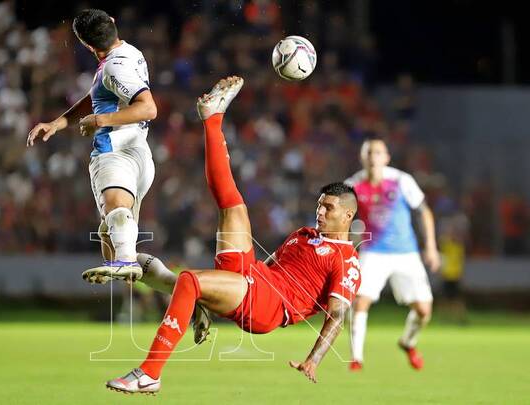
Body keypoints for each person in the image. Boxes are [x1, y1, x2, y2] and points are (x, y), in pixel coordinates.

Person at [103, 76, 362, 395]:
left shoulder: (347, 261)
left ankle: (149, 373)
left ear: (348, 215)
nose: (320, 213)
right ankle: (213, 119)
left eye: (329, 209)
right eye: (319, 206)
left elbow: (337, 315)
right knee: (232, 204)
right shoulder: (304, 234)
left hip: (268, 306)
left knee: (190, 281)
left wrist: (313, 360)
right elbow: (272, 268)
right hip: (257, 277)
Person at [27, 9, 167, 283]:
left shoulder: (114, 67)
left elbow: (148, 108)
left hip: (115, 153)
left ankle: (124, 261)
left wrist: (101, 120)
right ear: (113, 24)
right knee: (111, 235)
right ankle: (182, 292)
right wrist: (58, 123)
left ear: (86, 45)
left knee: (118, 226)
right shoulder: (130, 54)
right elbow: (99, 94)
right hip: (138, 155)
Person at [345, 137, 441, 371]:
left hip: (406, 253)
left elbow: (424, 212)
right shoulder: (352, 185)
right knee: (360, 302)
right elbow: (340, 218)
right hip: (373, 252)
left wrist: (430, 246)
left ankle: (408, 342)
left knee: (424, 311)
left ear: (386, 157)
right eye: (368, 153)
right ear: (362, 157)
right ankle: (356, 358)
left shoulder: (401, 180)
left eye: (377, 152)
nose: (372, 157)